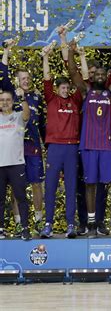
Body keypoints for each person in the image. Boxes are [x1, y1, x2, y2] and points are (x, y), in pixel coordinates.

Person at [67, 37, 111, 238]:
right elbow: (73, 72)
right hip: (89, 146)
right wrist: (70, 51)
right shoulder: (86, 91)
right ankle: (91, 223)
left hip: (108, 146)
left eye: (104, 74)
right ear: (94, 77)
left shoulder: (110, 92)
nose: (101, 76)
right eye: (98, 74)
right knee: (90, 184)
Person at [39, 43, 83, 238]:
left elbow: (82, 82)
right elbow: (46, 78)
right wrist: (45, 57)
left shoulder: (75, 100)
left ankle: (71, 225)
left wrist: (78, 57)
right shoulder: (51, 99)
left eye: (67, 87)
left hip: (71, 148)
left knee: (71, 188)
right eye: (62, 87)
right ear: (57, 89)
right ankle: (48, 224)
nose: (65, 90)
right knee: (50, 187)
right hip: (55, 148)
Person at [2, 40, 46, 236]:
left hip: (33, 145)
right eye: (23, 78)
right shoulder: (11, 95)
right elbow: (2, 74)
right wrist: (6, 51)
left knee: (36, 183)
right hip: (14, 150)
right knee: (15, 187)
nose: (26, 81)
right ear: (17, 80)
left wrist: (47, 145)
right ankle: (20, 222)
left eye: (28, 78)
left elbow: (43, 123)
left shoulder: (37, 97)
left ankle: (37, 220)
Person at [0, 88, 31, 240]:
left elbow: (27, 114)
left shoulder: (18, 116)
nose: (5, 102)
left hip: (16, 164)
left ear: (12, 102)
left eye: (7, 100)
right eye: (2, 100)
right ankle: (0, 229)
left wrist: (23, 98)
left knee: (21, 197)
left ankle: (25, 228)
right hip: (0, 166)